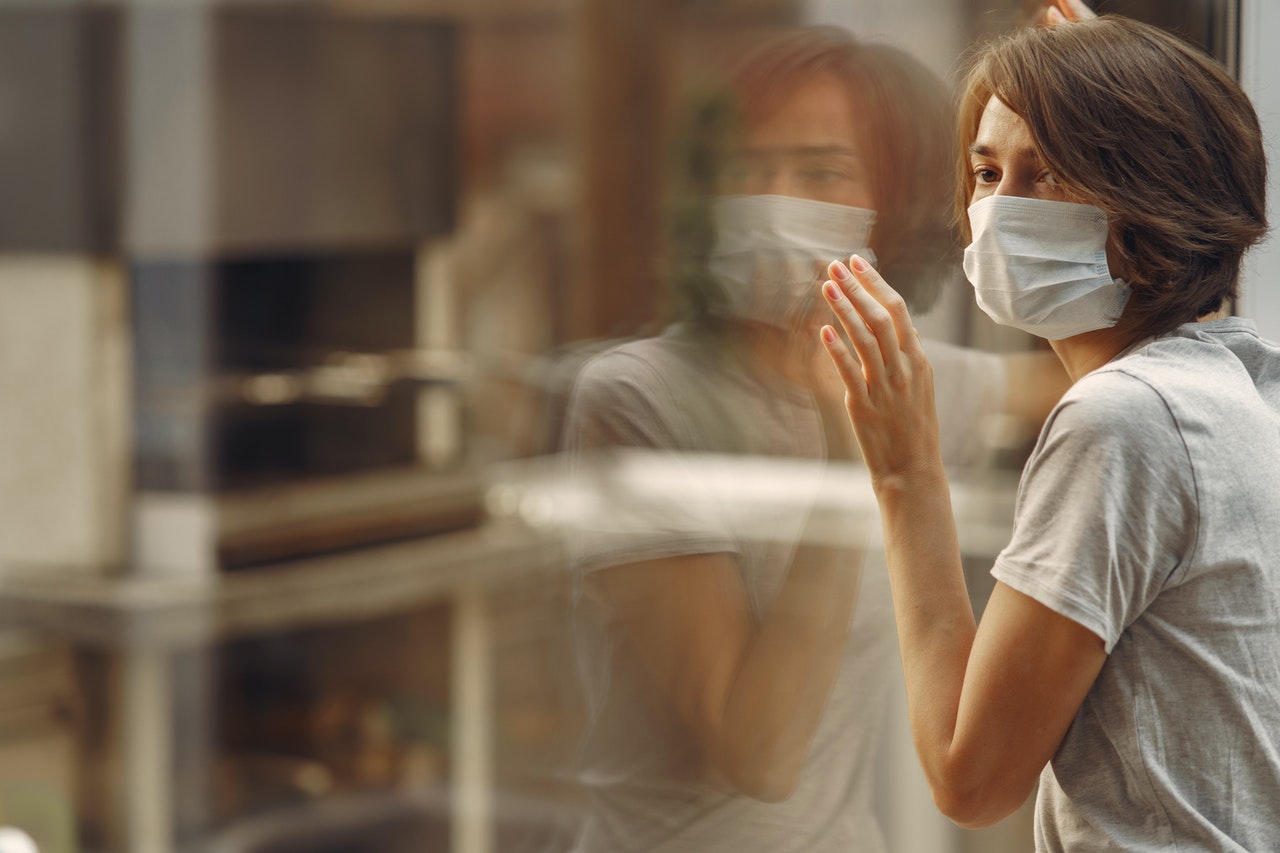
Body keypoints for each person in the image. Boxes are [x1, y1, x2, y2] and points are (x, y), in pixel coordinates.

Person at [560, 25, 1061, 852]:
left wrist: (1096, 124)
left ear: (891, 204)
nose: (772, 197)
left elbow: (1124, 372)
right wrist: (848, 450)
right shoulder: (633, 397)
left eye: (818, 170)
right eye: (746, 169)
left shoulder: (908, 378)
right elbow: (760, 751)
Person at [818, 11, 1280, 850]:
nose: (1001, 212)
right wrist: (1121, 87)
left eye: (1052, 175)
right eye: (988, 171)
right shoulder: (1239, 388)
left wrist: (904, 470)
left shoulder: (1122, 420)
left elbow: (971, 776)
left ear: (1154, 197)